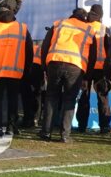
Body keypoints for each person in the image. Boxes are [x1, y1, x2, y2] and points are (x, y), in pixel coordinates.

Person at [41, 8, 96, 143]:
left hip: (55, 62)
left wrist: (45, 67)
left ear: (71, 16)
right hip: (75, 66)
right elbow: (93, 56)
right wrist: (87, 76)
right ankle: (65, 135)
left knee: (51, 97)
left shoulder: (58, 24)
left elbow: (45, 46)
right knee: (69, 100)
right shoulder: (89, 30)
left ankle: (46, 132)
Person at [0, 6, 33, 137]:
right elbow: (29, 51)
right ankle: (12, 127)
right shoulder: (22, 28)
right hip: (15, 71)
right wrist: (27, 70)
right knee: (13, 99)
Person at [75, 5, 111, 134]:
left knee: (84, 97)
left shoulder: (84, 27)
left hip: (85, 67)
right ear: (101, 16)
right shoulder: (104, 29)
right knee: (103, 98)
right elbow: (110, 51)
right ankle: (105, 126)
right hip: (101, 69)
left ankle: (82, 126)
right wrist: (108, 70)